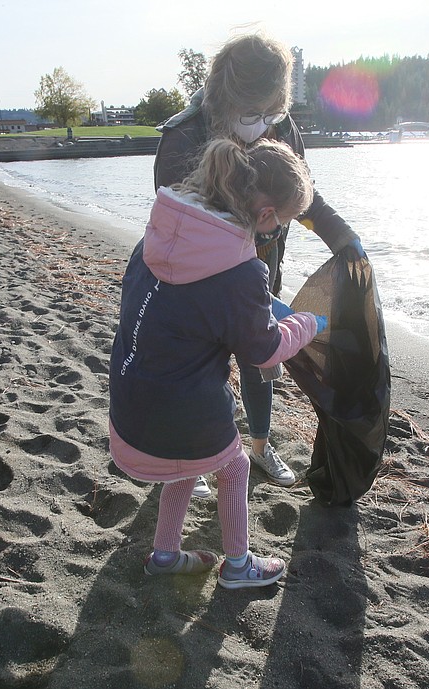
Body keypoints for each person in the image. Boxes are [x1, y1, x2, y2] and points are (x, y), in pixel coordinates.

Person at [154, 33, 364, 498]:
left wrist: (343, 239)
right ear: (226, 99)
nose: (264, 125)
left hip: (260, 271)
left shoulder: (282, 126)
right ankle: (188, 461)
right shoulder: (184, 135)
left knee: (260, 361)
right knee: (200, 372)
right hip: (198, 286)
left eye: (272, 114)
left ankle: (260, 446)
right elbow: (177, 229)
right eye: (253, 116)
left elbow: (301, 196)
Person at [109, 138, 325, 588]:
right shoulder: (241, 270)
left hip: (129, 405)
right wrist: (309, 322)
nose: (274, 235)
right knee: (234, 467)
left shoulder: (163, 231)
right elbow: (263, 351)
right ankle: (239, 566)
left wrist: (263, 302)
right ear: (265, 215)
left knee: (186, 466)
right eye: (280, 226)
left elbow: (196, 299)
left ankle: (166, 555)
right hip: (181, 412)